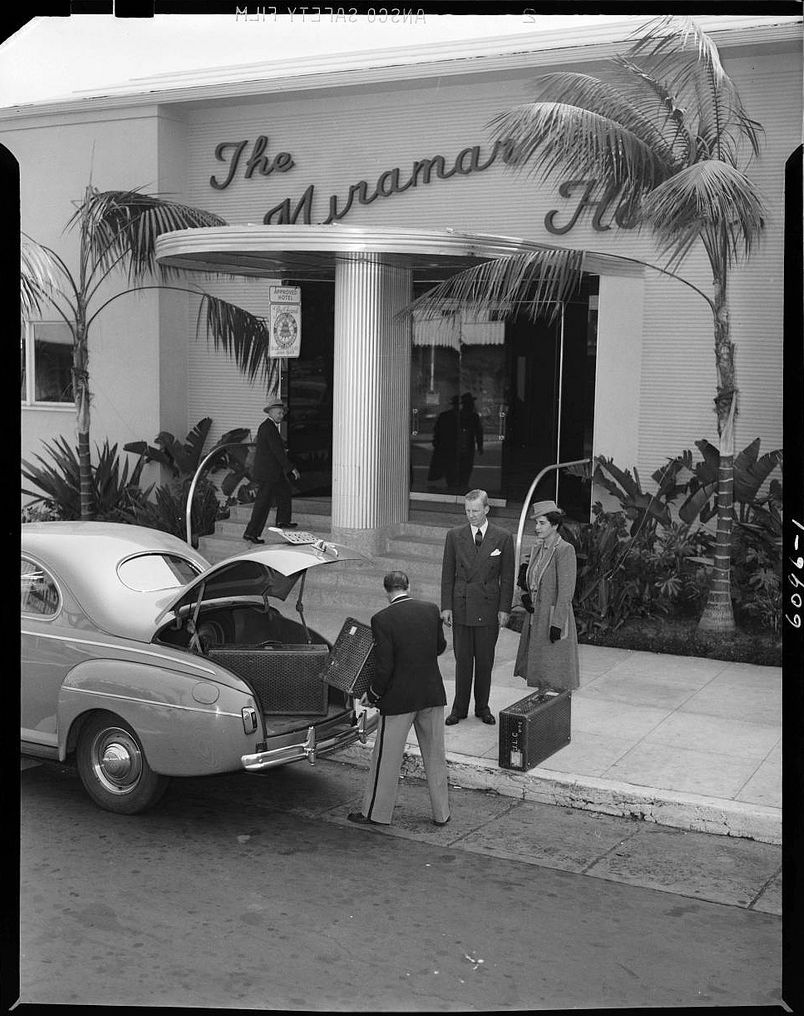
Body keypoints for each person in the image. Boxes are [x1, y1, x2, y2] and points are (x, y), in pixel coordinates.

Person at [347, 571, 451, 827]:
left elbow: (385, 666)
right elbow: (439, 647)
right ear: (407, 586)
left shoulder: (382, 619)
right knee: (435, 756)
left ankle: (376, 814)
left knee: (386, 760)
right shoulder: (430, 609)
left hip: (399, 700)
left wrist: (372, 695)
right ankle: (442, 814)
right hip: (431, 693)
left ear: (386, 591)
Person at [440, 489, 514, 726]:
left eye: (475, 511)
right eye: (467, 511)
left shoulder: (502, 537)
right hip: (461, 606)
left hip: (488, 608)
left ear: (486, 509)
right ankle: (459, 709)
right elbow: (447, 574)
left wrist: (504, 609)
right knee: (462, 661)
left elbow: (508, 576)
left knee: (484, 662)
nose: (470, 515)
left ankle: (482, 707)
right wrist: (446, 606)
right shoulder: (454, 535)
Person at [514, 499, 580, 694]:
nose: (537, 527)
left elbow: (566, 591)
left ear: (555, 525)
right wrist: (525, 595)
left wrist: (557, 623)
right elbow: (527, 578)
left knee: (556, 671)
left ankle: (554, 712)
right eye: (536, 523)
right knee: (541, 668)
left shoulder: (564, 550)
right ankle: (541, 706)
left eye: (542, 523)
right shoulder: (537, 548)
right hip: (536, 617)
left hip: (552, 617)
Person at [243, 399, 301, 543]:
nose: (281, 415)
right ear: (271, 412)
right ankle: (251, 533)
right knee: (263, 503)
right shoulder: (268, 427)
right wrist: (291, 467)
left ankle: (282, 521)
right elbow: (277, 451)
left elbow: (275, 449)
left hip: (273, 472)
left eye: (282, 413)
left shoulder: (270, 427)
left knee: (285, 492)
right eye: (279, 413)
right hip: (268, 473)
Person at [457, 392, 483, 490]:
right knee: (465, 465)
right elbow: (479, 432)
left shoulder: (469, 416)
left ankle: (462, 483)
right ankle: (462, 483)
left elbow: (478, 432)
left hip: (466, 444)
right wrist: (480, 445)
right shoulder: (472, 416)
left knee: (465, 465)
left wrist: (480, 445)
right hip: (465, 444)